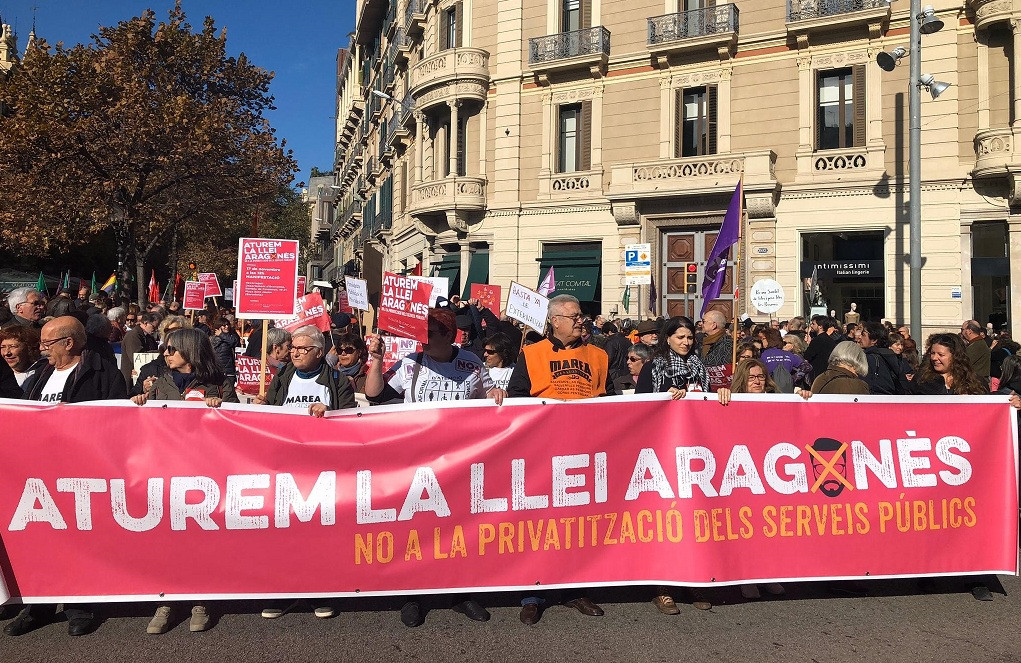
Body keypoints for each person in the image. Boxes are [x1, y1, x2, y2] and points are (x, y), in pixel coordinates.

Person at [365, 307, 504, 627]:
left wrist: (495, 392)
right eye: (421, 334)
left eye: (429, 334)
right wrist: (376, 359)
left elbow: (488, 400)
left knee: (457, 529)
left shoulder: (471, 363)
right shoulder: (412, 363)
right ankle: (413, 595)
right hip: (419, 461)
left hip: (459, 460)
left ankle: (461, 594)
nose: (422, 340)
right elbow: (376, 395)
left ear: (449, 335)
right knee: (417, 529)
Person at [11, 316, 126, 637]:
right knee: (40, 540)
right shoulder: (41, 373)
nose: (42, 349)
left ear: (69, 343)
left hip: (80, 473)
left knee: (79, 542)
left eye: (47, 344)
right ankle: (38, 606)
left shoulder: (104, 373)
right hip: (37, 474)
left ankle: (80, 605)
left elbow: (117, 421)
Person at [507, 295, 611, 624]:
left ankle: (575, 589)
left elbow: (610, 402)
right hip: (543, 451)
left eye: (581, 316)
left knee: (577, 523)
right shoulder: (531, 354)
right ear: (555, 321)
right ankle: (532, 594)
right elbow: (517, 397)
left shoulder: (599, 355)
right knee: (538, 523)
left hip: (584, 451)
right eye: (574, 316)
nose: (582, 321)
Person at [130, 327, 236, 633]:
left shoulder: (220, 384)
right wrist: (139, 402)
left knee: (200, 538)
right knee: (168, 539)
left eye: (172, 349)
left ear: (190, 352)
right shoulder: (157, 383)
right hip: (165, 472)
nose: (165, 354)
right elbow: (142, 424)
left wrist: (221, 409)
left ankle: (200, 598)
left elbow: (236, 427)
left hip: (205, 473)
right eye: (165, 349)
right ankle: (167, 600)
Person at [256, 325, 355, 416]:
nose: (295, 354)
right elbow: (270, 411)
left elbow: (347, 419)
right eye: (293, 348)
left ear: (319, 352)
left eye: (302, 349)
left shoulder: (338, 381)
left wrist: (329, 412)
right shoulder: (282, 375)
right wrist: (263, 405)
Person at [636, 316, 709, 396]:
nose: (686, 342)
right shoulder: (652, 367)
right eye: (680, 337)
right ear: (668, 339)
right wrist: (665, 395)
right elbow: (640, 402)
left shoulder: (699, 366)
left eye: (690, 338)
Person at [908, 333, 988, 396]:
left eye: (940, 354)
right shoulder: (921, 380)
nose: (934, 358)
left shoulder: (975, 382)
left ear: (955, 356)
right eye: (932, 353)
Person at [858, 322, 908, 395]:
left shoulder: (869, 358)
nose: (860, 337)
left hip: (874, 400)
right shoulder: (893, 356)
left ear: (874, 340)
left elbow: (864, 384)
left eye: (863, 335)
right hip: (892, 400)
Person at [120, 313, 159, 388]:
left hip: (143, 377)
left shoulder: (148, 336)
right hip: (132, 379)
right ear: (145, 323)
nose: (155, 329)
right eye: (153, 326)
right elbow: (137, 356)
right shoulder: (133, 335)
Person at [210, 317, 241, 385]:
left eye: (228, 325)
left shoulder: (232, 335)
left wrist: (222, 335)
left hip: (229, 370)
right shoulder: (213, 338)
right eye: (224, 325)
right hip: (217, 369)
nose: (226, 327)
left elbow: (234, 342)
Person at [960, 320, 991, 384]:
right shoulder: (976, 343)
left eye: (962, 329)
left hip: (976, 383)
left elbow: (963, 362)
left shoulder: (977, 345)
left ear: (969, 331)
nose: (961, 332)